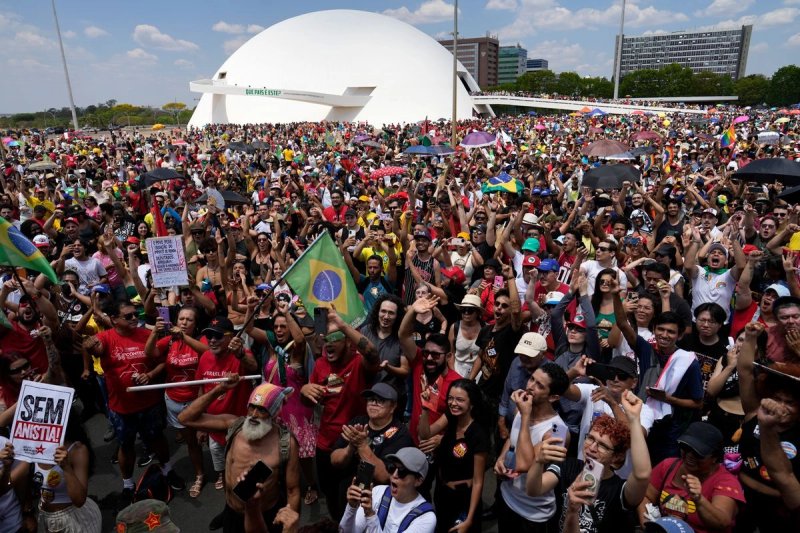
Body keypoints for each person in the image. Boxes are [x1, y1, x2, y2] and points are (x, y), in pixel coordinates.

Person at [83, 300, 183, 506]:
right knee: (126, 445)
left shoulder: (147, 335)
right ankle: (128, 485)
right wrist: (90, 348)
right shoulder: (105, 338)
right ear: (114, 320)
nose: (134, 318)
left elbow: (163, 360)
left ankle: (168, 470)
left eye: (135, 314)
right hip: (122, 407)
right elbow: (96, 349)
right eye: (128, 316)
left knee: (157, 438)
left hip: (150, 403)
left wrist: (150, 374)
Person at [179, 378, 301, 533]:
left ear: (274, 413)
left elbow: (293, 490)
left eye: (262, 410)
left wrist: (290, 528)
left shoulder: (286, 443)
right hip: (232, 513)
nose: (254, 415)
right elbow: (184, 418)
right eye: (252, 407)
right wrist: (219, 389)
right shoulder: (234, 425)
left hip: (265, 518)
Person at [527, 391, 652, 533]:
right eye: (590, 438)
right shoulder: (568, 466)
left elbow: (642, 475)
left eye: (603, 446)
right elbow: (534, 490)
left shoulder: (619, 491)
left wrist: (634, 419)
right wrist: (538, 462)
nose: (592, 448)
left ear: (616, 457)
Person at [300, 305, 380, 521]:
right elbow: (310, 403)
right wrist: (304, 390)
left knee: (351, 503)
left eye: (334, 340)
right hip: (324, 445)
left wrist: (343, 325)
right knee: (330, 497)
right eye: (326, 342)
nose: (328, 346)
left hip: (351, 447)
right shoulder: (320, 365)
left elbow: (373, 353)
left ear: (347, 342)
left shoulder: (358, 364)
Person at [493, 363, 571, 532]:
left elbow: (524, 464)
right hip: (507, 498)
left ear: (553, 397)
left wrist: (526, 415)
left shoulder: (558, 431)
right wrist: (501, 459)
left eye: (539, 385)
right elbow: (512, 441)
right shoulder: (523, 408)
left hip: (533, 514)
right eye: (532, 379)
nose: (530, 387)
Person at [144, 307, 209, 498]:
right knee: (191, 442)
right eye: (181, 319)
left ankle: (221, 472)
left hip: (195, 400)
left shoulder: (202, 339)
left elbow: (206, 353)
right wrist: (155, 332)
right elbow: (151, 353)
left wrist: (184, 337)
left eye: (189, 320)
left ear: (196, 324)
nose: (184, 322)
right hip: (173, 399)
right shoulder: (171, 340)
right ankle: (200, 474)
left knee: (208, 439)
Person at [638, 422, 744, 533]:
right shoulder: (667, 466)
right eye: (685, 448)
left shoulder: (726, 482)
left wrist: (699, 499)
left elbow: (722, 523)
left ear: (715, 458)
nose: (689, 456)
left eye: (698, 453)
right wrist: (649, 524)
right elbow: (645, 496)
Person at [195, 316, 258, 495]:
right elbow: (202, 390)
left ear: (231, 337)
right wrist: (201, 425)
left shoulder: (241, 353)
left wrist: (240, 354)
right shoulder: (205, 356)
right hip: (214, 426)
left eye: (218, 336)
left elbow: (253, 367)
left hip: (239, 427)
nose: (212, 340)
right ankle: (226, 486)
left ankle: (246, 500)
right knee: (220, 460)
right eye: (209, 336)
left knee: (243, 467)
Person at [330, 383, 414, 518]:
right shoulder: (357, 422)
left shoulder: (400, 434)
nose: (373, 403)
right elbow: (335, 460)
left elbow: (384, 475)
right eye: (370, 399)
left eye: (380, 401)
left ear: (393, 406)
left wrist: (362, 445)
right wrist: (351, 447)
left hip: (378, 500)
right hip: (349, 493)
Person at [418, 379, 489, 533]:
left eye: (460, 399)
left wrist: (469, 519)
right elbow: (425, 434)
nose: (453, 403)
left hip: (463, 499)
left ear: (472, 404)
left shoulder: (478, 435)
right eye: (450, 398)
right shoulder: (451, 417)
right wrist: (425, 408)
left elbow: (478, 481)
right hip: (442, 493)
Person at [339, 447, 436, 533]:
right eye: (392, 468)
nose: (394, 475)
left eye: (402, 472)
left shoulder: (426, 518)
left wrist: (370, 515)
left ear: (418, 481)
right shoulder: (378, 492)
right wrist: (351, 508)